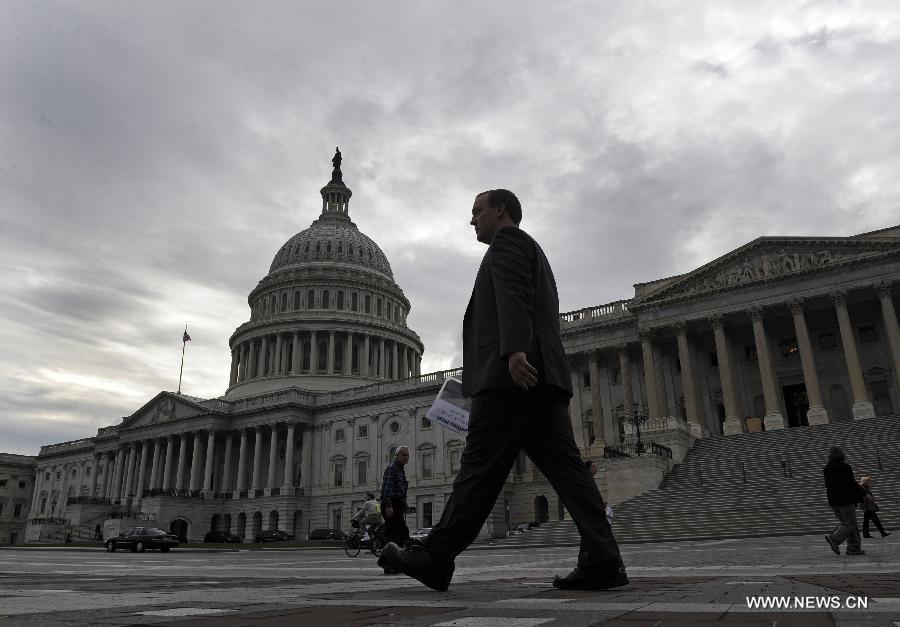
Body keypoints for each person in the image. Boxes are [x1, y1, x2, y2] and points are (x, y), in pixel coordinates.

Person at [380, 189, 628, 591]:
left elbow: (513, 296)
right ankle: (604, 558)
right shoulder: (534, 250)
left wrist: (513, 350)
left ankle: (435, 556)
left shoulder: (508, 243)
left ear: (500, 210)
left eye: (477, 211)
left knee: (478, 469)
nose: (472, 219)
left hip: (512, 376)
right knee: (569, 473)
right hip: (543, 380)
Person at [823, 445, 867, 555]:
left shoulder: (827, 469)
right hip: (845, 500)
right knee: (850, 523)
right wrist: (863, 494)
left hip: (834, 502)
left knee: (848, 523)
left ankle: (853, 547)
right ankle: (834, 537)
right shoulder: (844, 467)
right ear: (841, 454)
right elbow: (851, 484)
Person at [380, 446, 411, 573]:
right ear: (396, 455)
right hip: (390, 504)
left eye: (407, 455)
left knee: (396, 535)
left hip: (397, 504)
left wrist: (405, 504)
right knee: (401, 533)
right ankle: (385, 562)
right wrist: (388, 506)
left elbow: (401, 491)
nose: (406, 457)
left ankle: (388, 562)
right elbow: (386, 489)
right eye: (403, 455)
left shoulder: (401, 470)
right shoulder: (391, 469)